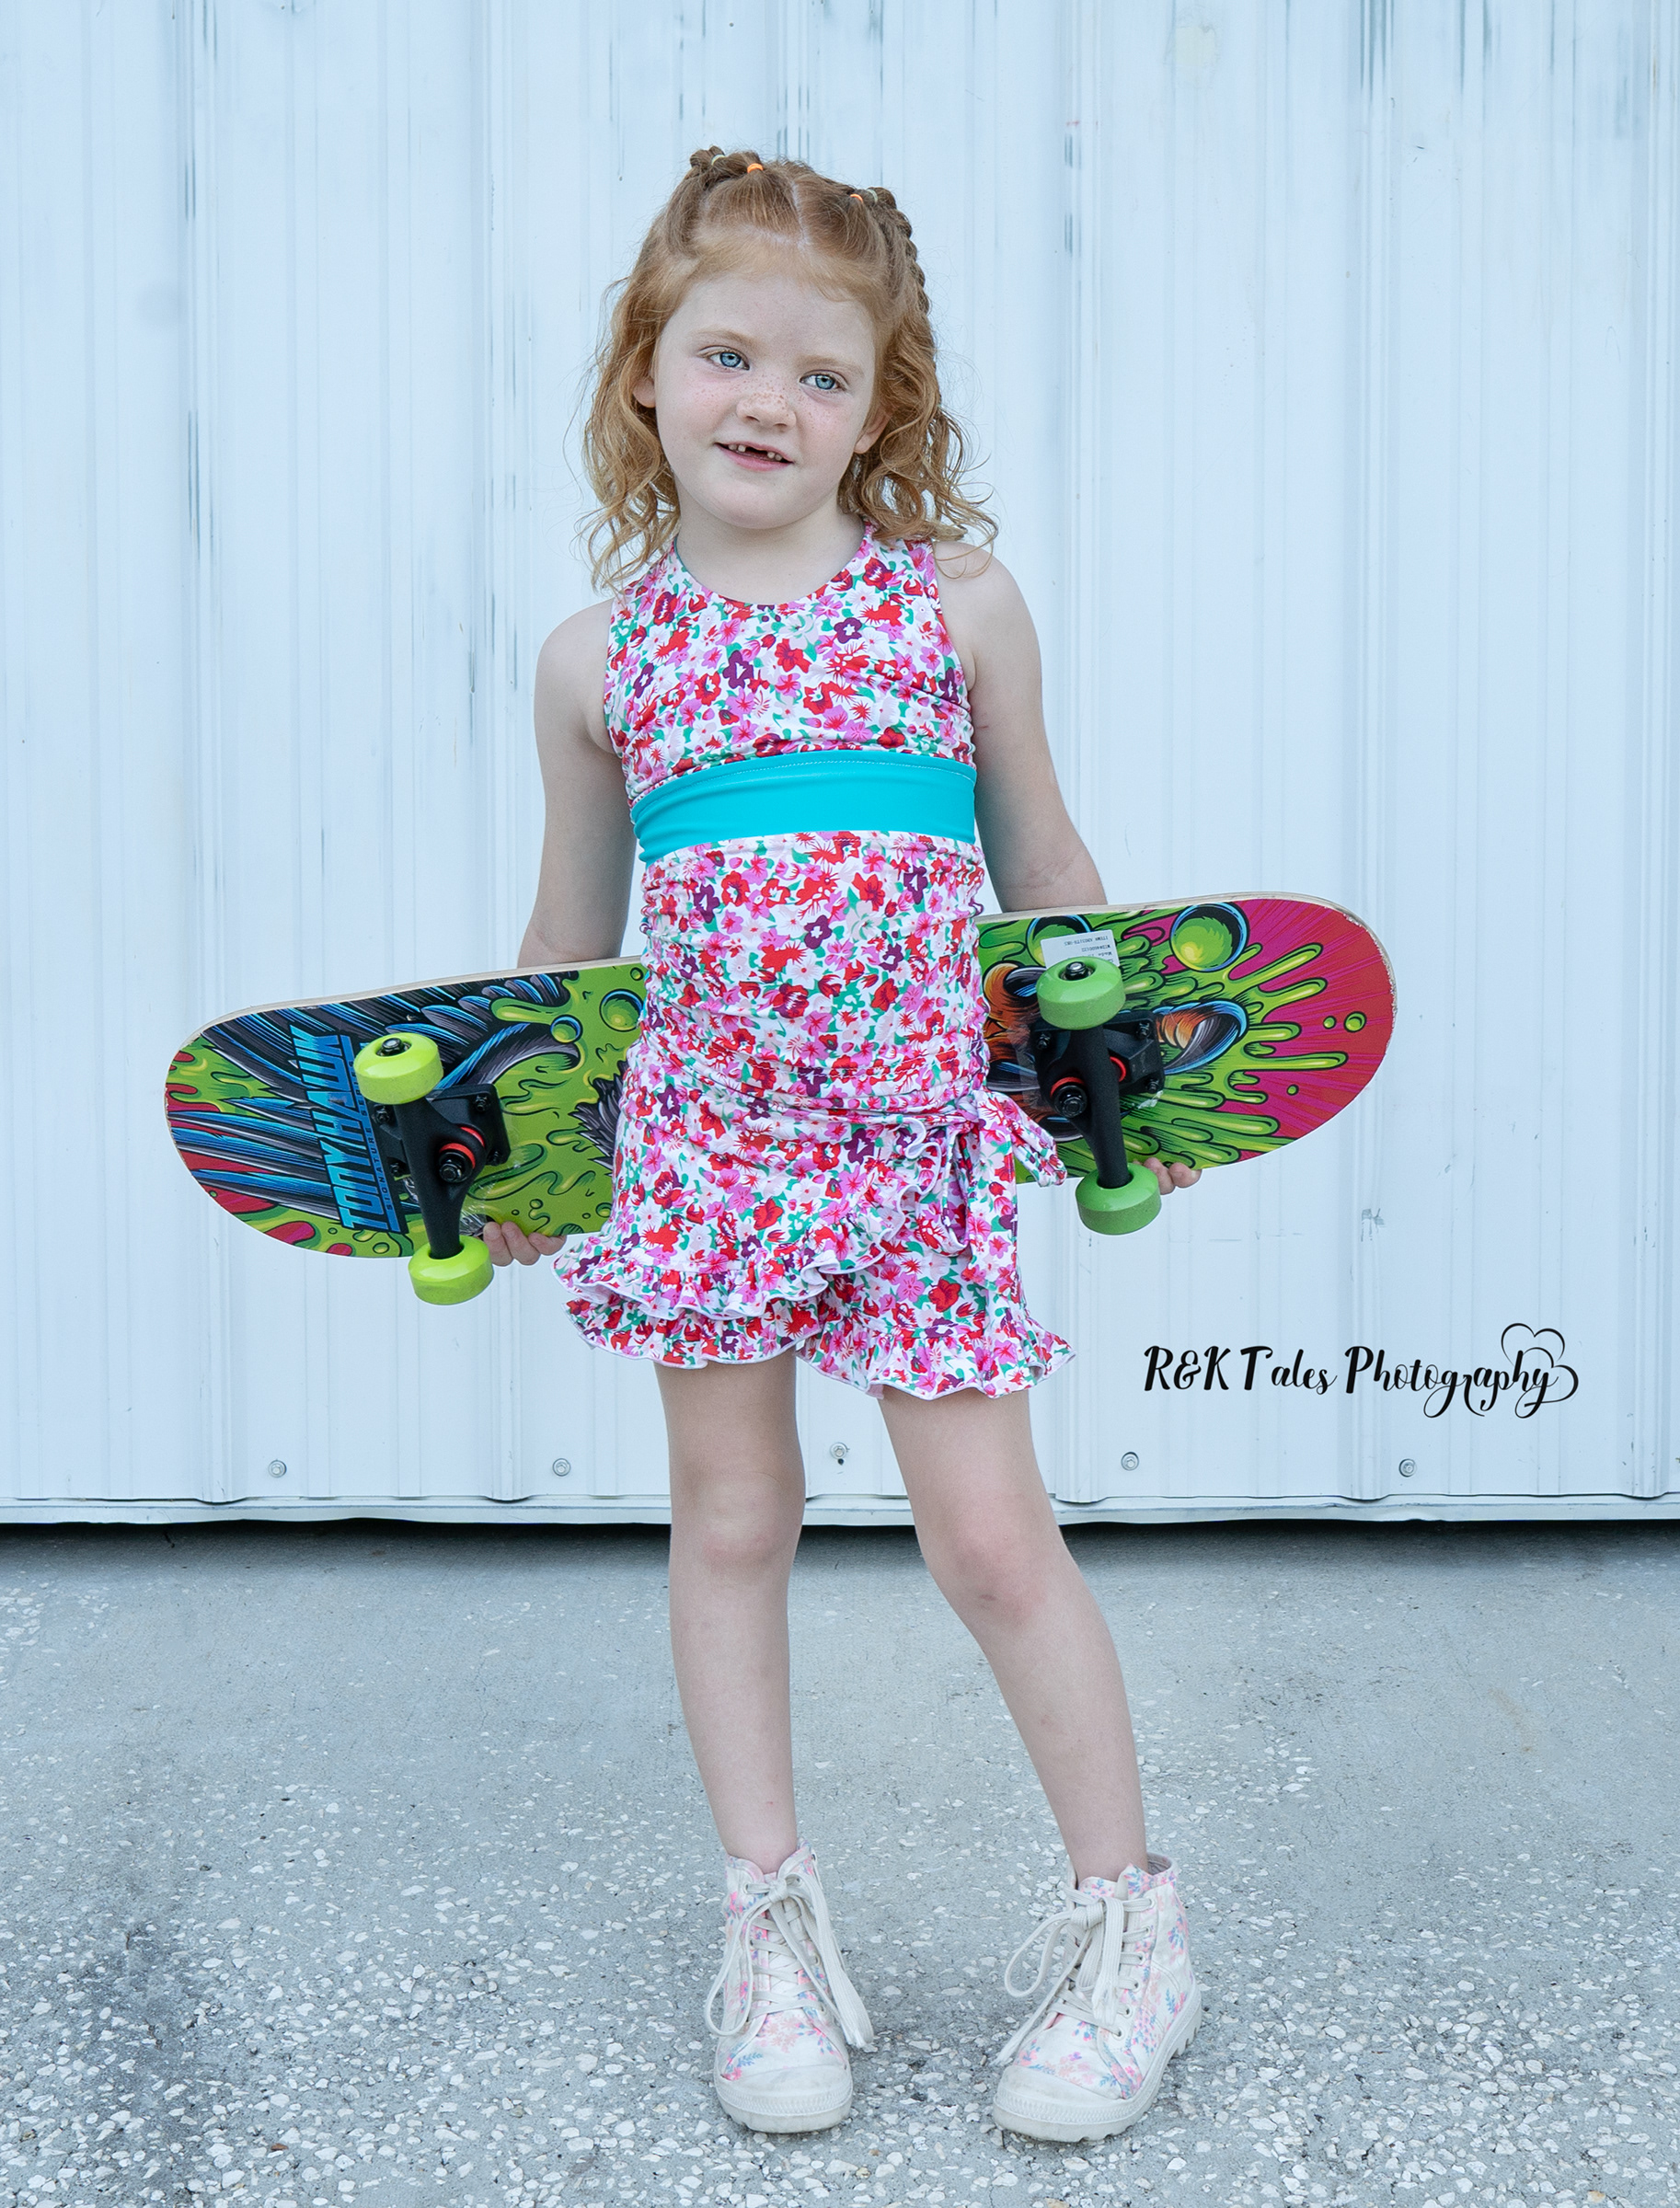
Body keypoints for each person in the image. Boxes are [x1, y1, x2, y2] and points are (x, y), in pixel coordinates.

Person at [487, 148, 1202, 2146]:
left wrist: (1127, 1081)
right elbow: (571, 947)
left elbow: (1047, 871)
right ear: (644, 371)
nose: (766, 403)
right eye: (726, 354)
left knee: (990, 1542)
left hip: (919, 1142)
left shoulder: (953, 609)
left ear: (881, 411)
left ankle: (1132, 1932)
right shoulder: (598, 662)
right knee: (733, 1524)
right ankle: (772, 1930)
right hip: (705, 1153)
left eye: (821, 375)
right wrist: (529, 1148)